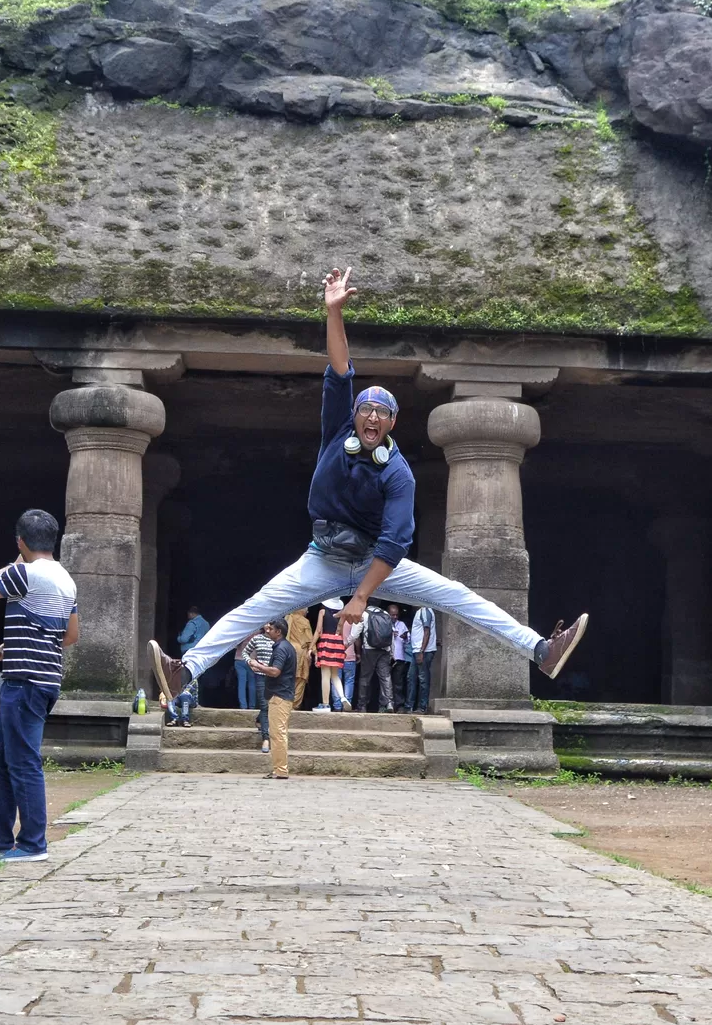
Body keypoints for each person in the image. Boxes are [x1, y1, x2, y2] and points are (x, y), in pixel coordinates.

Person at [146, 266, 589, 707]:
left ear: (392, 423)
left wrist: (360, 597)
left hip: (378, 563)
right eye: (367, 409)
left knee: (457, 595)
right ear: (355, 416)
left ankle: (541, 651)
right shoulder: (337, 433)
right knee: (256, 607)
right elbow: (341, 369)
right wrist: (333, 312)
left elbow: (395, 542)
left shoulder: (398, 473)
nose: (373, 416)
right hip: (323, 559)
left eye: (383, 412)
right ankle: (185, 670)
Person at [0, 509, 79, 864]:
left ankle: (33, 843)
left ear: (21, 541)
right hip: (42, 677)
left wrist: (18, 558)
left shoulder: (25, 573)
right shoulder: (66, 579)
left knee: (23, 761)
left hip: (25, 682)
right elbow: (71, 636)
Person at [247, 619, 299, 778]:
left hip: (280, 695)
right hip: (281, 694)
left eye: (271, 629)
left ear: (279, 632)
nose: (267, 631)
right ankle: (279, 769)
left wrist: (258, 666)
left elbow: (276, 671)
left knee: (278, 734)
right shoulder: (285, 646)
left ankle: (281, 770)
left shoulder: (281, 648)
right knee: (278, 733)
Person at [357, 601, 396, 712]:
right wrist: (392, 652)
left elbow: (356, 632)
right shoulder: (386, 614)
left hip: (369, 650)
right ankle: (389, 703)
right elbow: (391, 635)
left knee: (365, 677)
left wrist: (347, 643)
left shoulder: (365, 614)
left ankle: (362, 706)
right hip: (384, 650)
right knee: (385, 677)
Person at [315, 599, 349, 711]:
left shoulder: (322, 612)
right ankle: (343, 697)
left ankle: (325, 704)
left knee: (325, 675)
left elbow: (319, 630)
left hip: (326, 642)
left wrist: (311, 645)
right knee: (335, 675)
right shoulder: (342, 614)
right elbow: (341, 630)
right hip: (338, 642)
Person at [284, 606, 317, 705]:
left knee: (287, 677)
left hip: (286, 649)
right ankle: (294, 704)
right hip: (300, 651)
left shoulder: (287, 618)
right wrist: (316, 653)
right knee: (300, 678)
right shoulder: (304, 622)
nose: (307, 612)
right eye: (306, 610)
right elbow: (309, 640)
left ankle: (285, 703)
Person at [409, 603, 437, 712]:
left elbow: (427, 631)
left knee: (423, 679)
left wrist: (421, 651)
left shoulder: (425, 611)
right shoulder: (421, 611)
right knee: (411, 677)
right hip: (416, 650)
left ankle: (422, 707)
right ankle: (409, 706)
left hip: (422, 651)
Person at [389, 605, 412, 709]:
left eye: (396, 615)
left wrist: (406, 636)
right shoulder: (384, 623)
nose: (395, 617)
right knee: (386, 682)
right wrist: (389, 634)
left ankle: (399, 705)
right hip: (387, 657)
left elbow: (408, 639)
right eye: (392, 615)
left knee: (398, 683)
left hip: (399, 657)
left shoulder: (401, 624)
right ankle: (386, 704)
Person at [233, 633, 262, 711]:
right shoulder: (258, 634)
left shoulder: (242, 632)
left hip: (239, 659)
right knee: (252, 683)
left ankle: (243, 706)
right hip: (252, 660)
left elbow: (234, 646)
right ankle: (252, 706)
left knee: (241, 683)